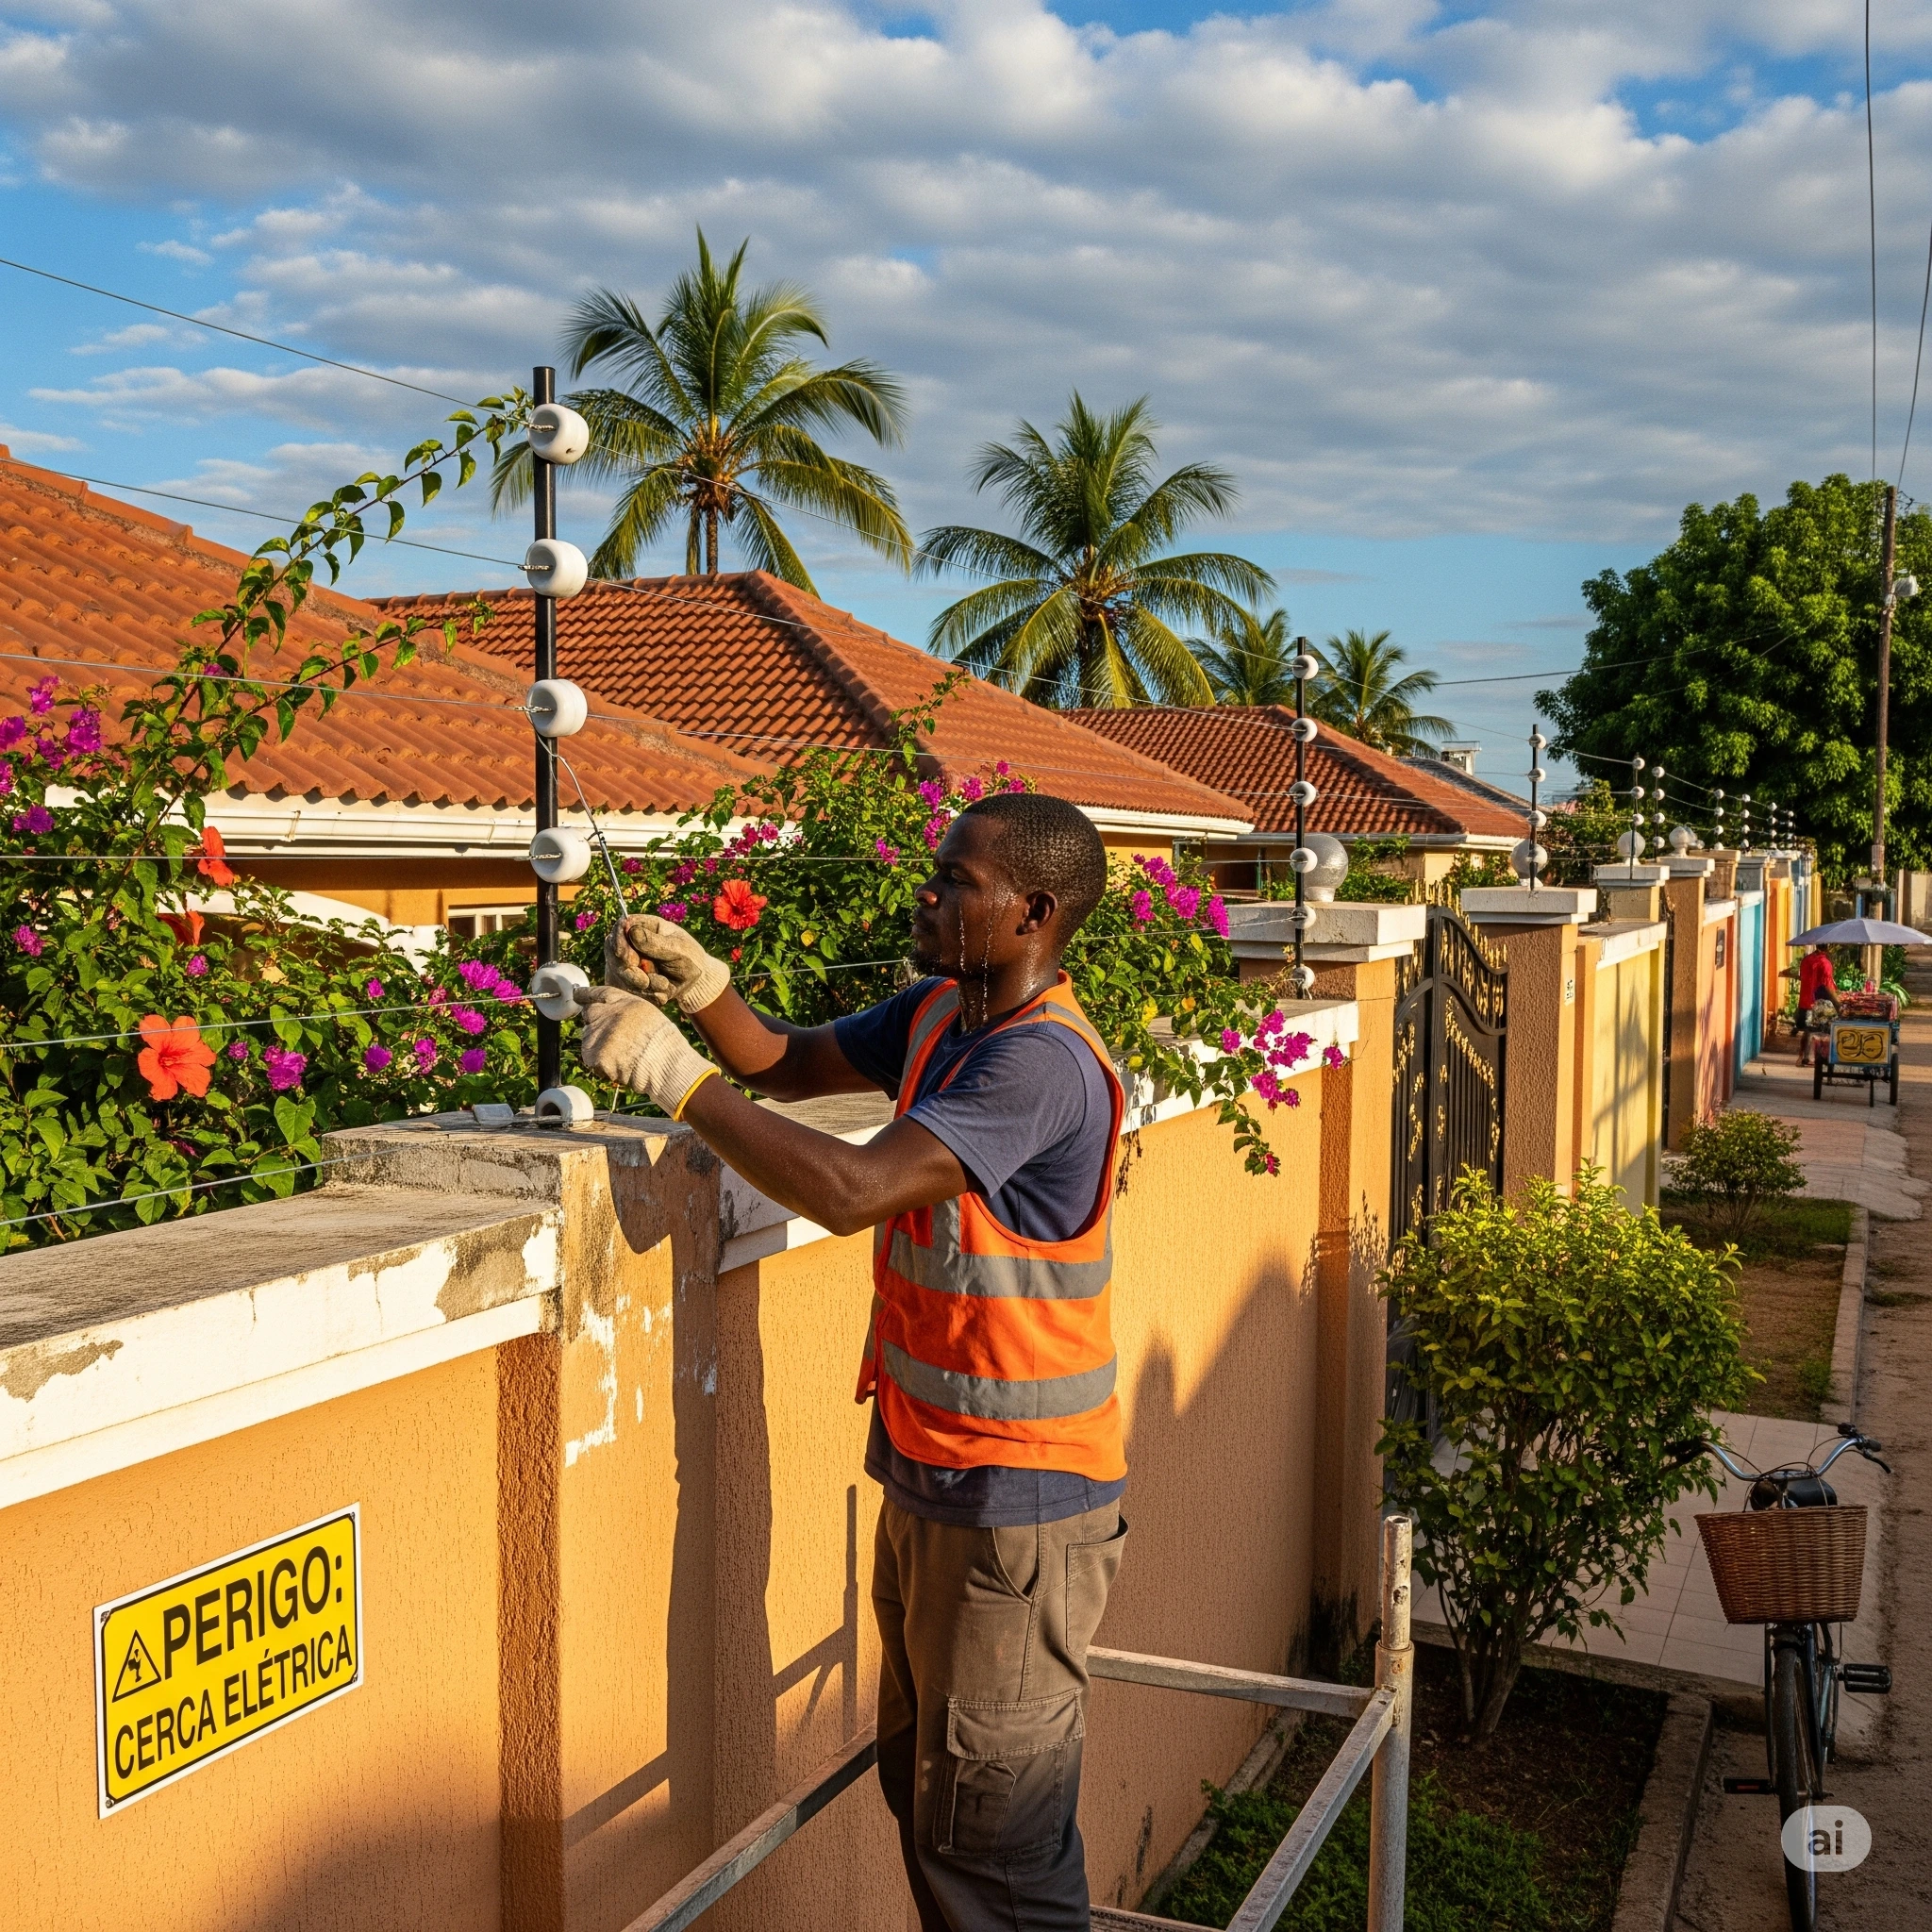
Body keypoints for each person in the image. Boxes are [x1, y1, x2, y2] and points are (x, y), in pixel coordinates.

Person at [574, 791, 1129, 1932]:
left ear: (1029, 911)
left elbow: (850, 1186)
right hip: (936, 1476)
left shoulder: (1040, 1067)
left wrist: (679, 1082)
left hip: (1018, 1507)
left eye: (956, 881)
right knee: (929, 1798)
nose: (926, 893)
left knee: (997, 1848)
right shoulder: (941, 1013)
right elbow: (786, 1062)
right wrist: (708, 991)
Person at [1796, 944, 1840, 1066]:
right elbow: (1827, 985)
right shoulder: (1825, 963)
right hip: (1820, 1001)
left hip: (1805, 999)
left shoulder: (1806, 960)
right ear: (1828, 947)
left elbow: (1802, 977)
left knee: (1808, 1030)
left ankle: (1803, 1056)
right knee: (1826, 1030)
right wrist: (1837, 1002)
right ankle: (1821, 1057)